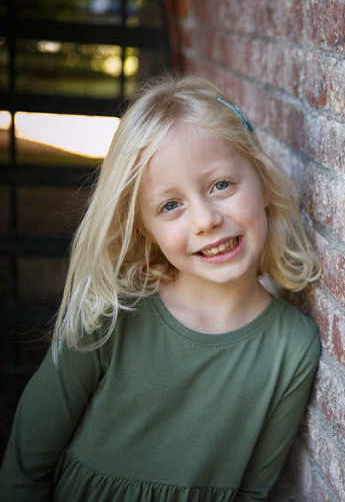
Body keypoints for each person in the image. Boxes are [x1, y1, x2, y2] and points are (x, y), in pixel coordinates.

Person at [0, 75, 322, 501]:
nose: (205, 219)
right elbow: (25, 469)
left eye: (221, 185)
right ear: (145, 229)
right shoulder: (111, 318)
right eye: (171, 205)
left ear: (261, 180)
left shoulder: (293, 347)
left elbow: (251, 493)